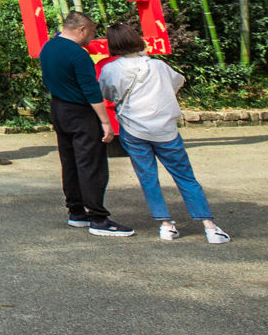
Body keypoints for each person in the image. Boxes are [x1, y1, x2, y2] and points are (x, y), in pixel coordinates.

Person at [98, 20, 231, 244]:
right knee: (185, 177)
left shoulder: (110, 69)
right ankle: (209, 227)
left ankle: (166, 226)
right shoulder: (158, 66)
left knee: (148, 178)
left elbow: (107, 94)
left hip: (133, 129)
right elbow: (178, 82)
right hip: (165, 129)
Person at [40, 11, 134, 237]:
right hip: (81, 111)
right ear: (81, 29)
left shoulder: (48, 48)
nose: (91, 38)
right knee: (91, 163)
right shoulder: (78, 54)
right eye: (91, 32)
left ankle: (76, 211)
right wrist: (105, 122)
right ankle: (98, 218)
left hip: (59, 108)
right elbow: (91, 91)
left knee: (69, 160)